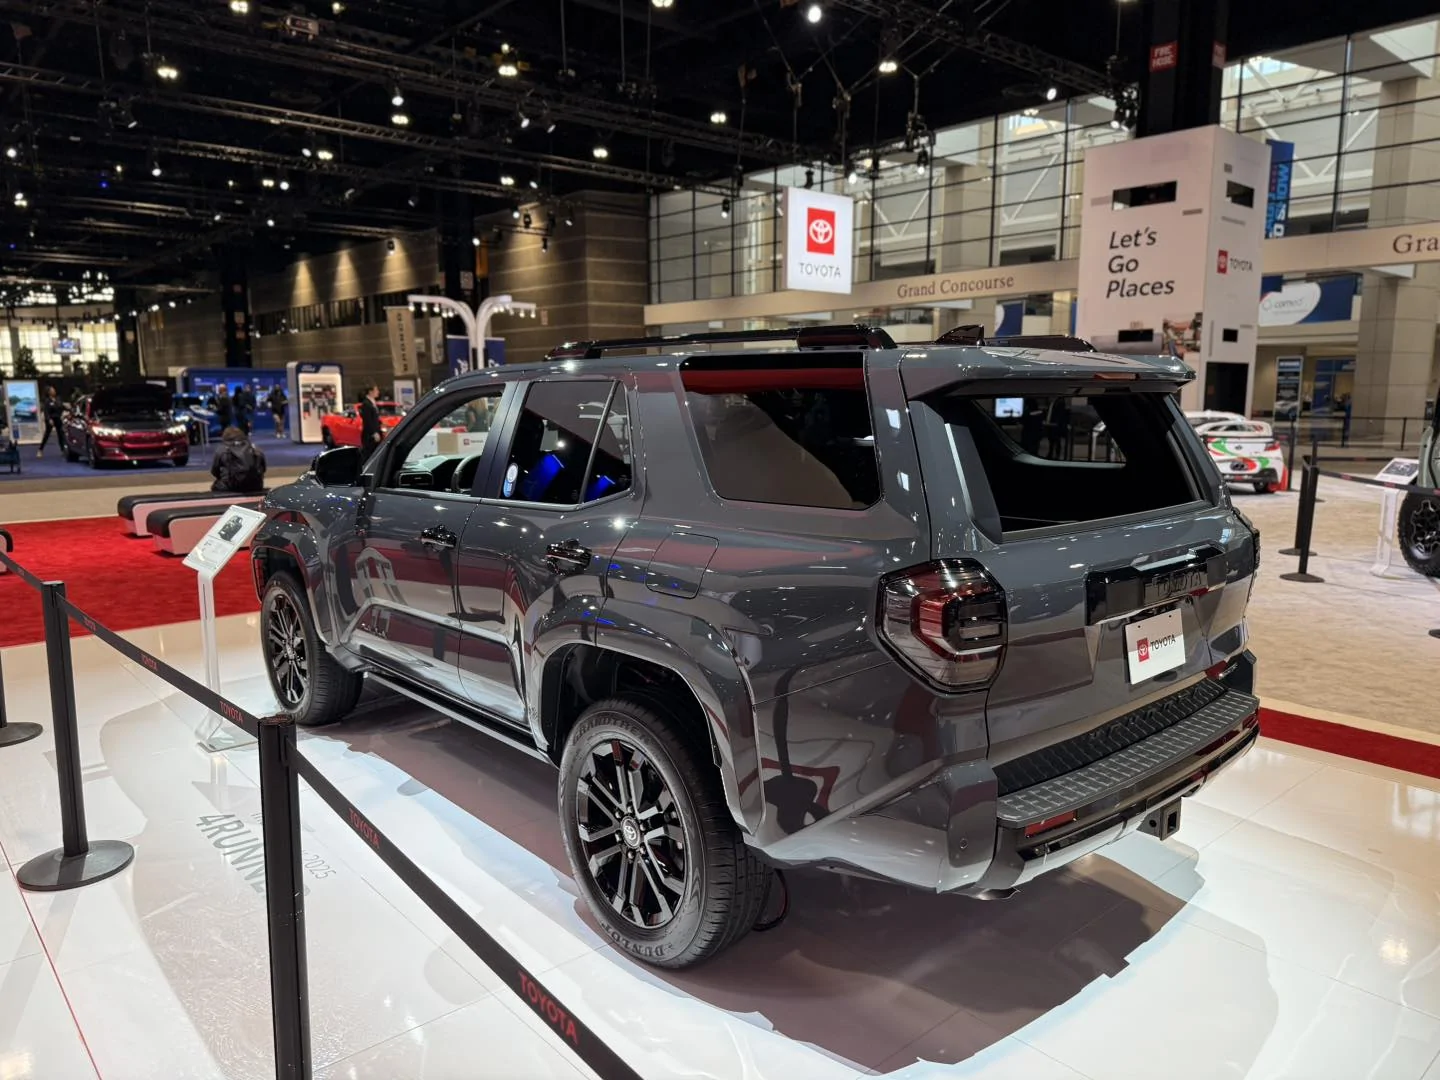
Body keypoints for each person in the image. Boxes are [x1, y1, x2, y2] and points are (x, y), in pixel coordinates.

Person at [210, 425, 267, 493]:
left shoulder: (222, 449)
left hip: (229, 486)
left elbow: (214, 471)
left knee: (214, 486)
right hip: (256, 485)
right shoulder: (254, 448)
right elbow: (263, 468)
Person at [37, 386, 67, 458]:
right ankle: (40, 450)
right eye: (52, 390)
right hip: (51, 419)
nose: (54, 391)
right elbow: (46, 411)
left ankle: (63, 450)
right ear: (49, 392)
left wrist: (67, 408)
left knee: (61, 434)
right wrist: (49, 419)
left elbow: (61, 406)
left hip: (58, 418)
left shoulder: (58, 399)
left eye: (54, 389)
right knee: (47, 435)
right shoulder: (47, 401)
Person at [358, 384, 384, 454]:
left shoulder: (372, 402)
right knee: (369, 455)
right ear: (370, 392)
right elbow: (367, 420)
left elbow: (375, 418)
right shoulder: (366, 403)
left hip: (376, 434)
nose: (378, 392)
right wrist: (374, 433)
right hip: (370, 436)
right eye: (376, 390)